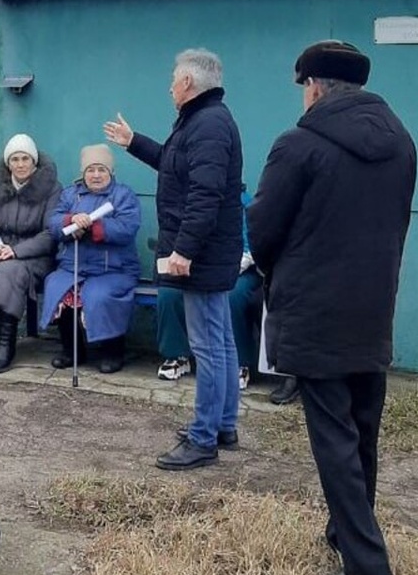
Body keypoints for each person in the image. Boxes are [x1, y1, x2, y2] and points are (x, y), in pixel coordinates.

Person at [247, 40, 416, 575]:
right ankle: (347, 531)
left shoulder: (297, 145)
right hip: (373, 306)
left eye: (302, 88)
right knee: (363, 429)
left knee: (335, 441)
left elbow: (264, 231)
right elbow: (399, 225)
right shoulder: (401, 143)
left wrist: (280, 274)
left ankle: (369, 573)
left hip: (315, 311)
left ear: (313, 86)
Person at [104, 48, 243, 471]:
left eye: (172, 80)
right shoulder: (203, 121)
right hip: (209, 251)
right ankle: (223, 424)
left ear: (187, 84)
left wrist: (183, 249)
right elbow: (174, 164)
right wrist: (134, 144)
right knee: (219, 341)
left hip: (201, 254)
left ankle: (204, 438)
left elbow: (205, 193)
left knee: (208, 345)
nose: (169, 87)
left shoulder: (209, 125)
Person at [39, 144, 141, 374]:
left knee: (99, 295)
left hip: (114, 269)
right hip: (74, 266)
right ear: (83, 173)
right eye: (91, 170)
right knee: (57, 287)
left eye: (101, 170)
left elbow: (127, 228)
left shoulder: (123, 195)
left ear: (110, 172)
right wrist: (71, 222)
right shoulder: (70, 194)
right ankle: (72, 350)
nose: (96, 175)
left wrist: (94, 227)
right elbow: (53, 223)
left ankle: (112, 351)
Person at [0, 134, 61, 373]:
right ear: (8, 164)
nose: (20, 164)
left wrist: (16, 251)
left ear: (34, 162)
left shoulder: (51, 189)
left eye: (25, 159)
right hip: (0, 251)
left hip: (33, 256)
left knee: (9, 271)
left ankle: (6, 344)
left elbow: (50, 234)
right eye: (15, 159)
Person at [155, 190, 262, 393]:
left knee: (232, 296)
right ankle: (177, 354)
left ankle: (239, 363)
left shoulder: (244, 203)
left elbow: (253, 243)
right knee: (169, 292)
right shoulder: (189, 199)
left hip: (238, 269)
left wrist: (229, 268)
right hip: (196, 266)